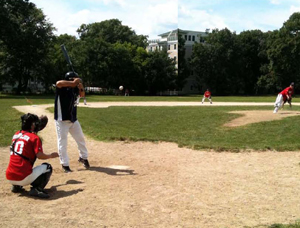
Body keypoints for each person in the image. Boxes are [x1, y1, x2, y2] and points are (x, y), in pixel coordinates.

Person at [6, 113, 59, 199]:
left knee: (19, 161)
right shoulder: (34, 138)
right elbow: (40, 155)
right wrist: (51, 155)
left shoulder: (16, 134)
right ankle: (37, 189)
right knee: (48, 167)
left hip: (10, 176)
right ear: (32, 125)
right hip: (23, 178)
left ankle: (16, 186)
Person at [54, 71, 90, 173]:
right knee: (63, 143)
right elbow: (58, 83)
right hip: (62, 121)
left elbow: (82, 95)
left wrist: (81, 87)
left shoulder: (74, 89)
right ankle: (65, 164)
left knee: (81, 139)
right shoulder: (61, 88)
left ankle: (83, 157)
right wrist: (74, 83)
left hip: (73, 120)